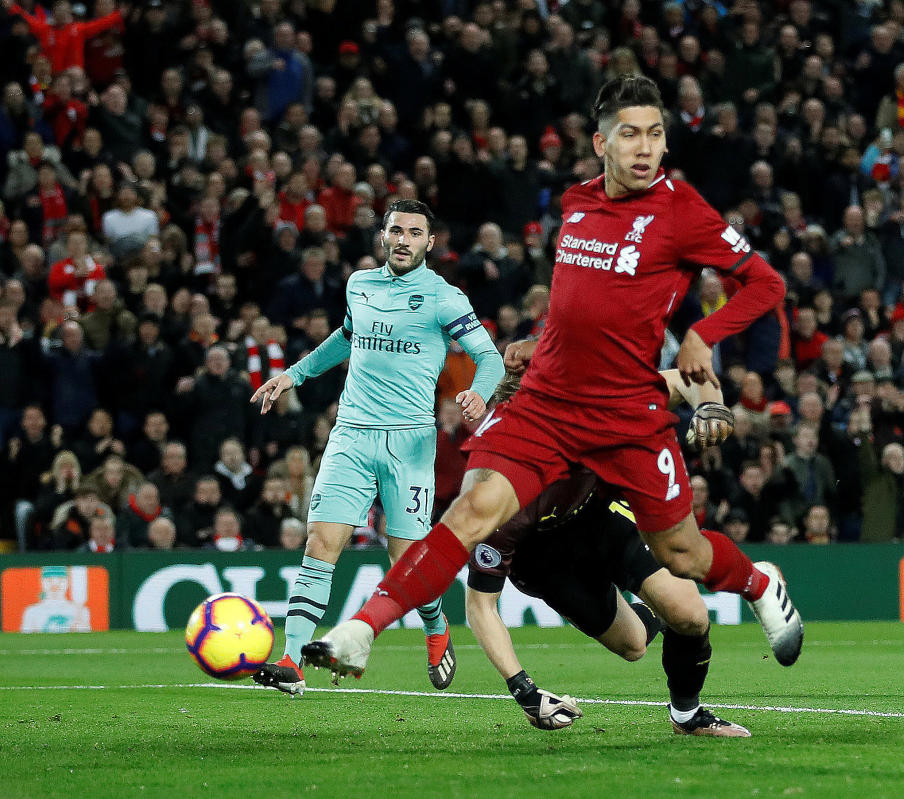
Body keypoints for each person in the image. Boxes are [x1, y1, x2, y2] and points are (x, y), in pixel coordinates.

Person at [303, 76, 801, 683]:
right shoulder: (577, 204)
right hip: (548, 405)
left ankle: (758, 581)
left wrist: (704, 335)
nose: (645, 148)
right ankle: (361, 630)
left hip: (625, 414)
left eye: (655, 134)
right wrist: (538, 343)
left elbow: (768, 284)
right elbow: (581, 310)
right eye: (629, 134)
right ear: (601, 143)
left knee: (684, 554)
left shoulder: (681, 212)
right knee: (470, 511)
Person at [249, 198, 504, 696]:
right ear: (383, 236)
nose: (403, 240)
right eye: (396, 231)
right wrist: (294, 374)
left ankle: (436, 627)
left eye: (414, 232)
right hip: (350, 435)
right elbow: (346, 339)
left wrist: (478, 391)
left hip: (409, 444)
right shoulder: (359, 285)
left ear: (429, 243)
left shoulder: (442, 298)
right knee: (321, 543)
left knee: (405, 560)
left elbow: (488, 357)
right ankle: (291, 659)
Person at [466, 368, 746, 735]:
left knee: (690, 615)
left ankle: (687, 715)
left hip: (600, 518)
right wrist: (525, 690)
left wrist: (710, 406)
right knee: (632, 645)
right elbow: (480, 606)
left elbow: (684, 379)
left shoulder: (593, 403)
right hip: (545, 563)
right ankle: (654, 611)